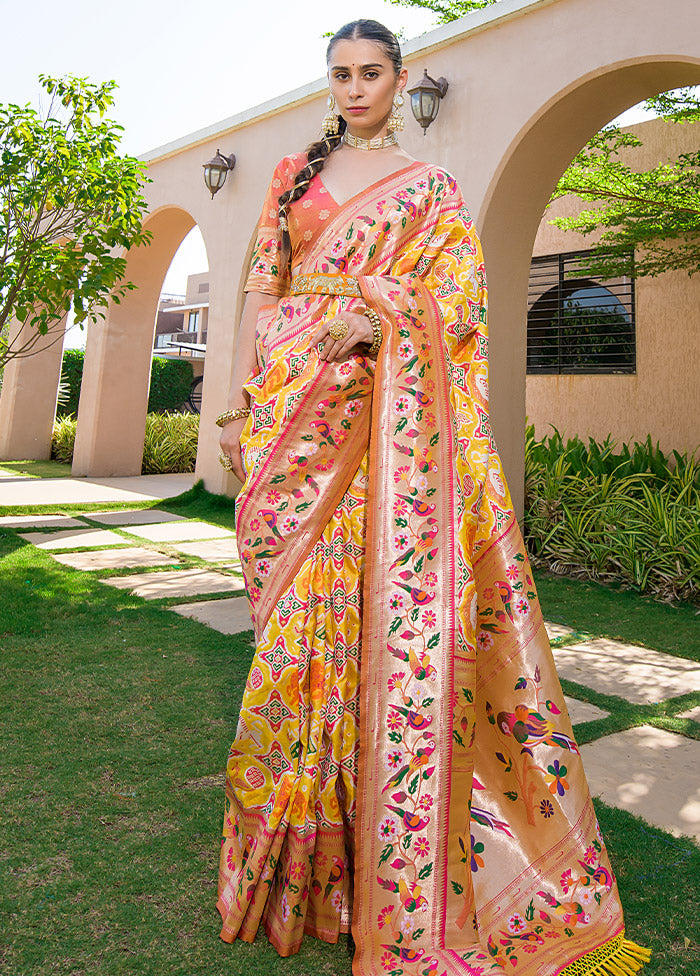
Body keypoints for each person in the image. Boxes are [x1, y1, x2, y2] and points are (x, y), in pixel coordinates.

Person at [215, 19, 650, 976]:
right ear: (326, 81)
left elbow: (457, 306)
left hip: (385, 444)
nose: (356, 87)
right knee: (295, 641)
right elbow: (261, 296)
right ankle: (301, 867)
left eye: (372, 73)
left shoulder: (433, 192)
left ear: (400, 78)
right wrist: (247, 408)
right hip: (296, 426)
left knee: (381, 636)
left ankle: (374, 861)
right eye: (341, 74)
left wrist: (374, 315)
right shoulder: (291, 175)